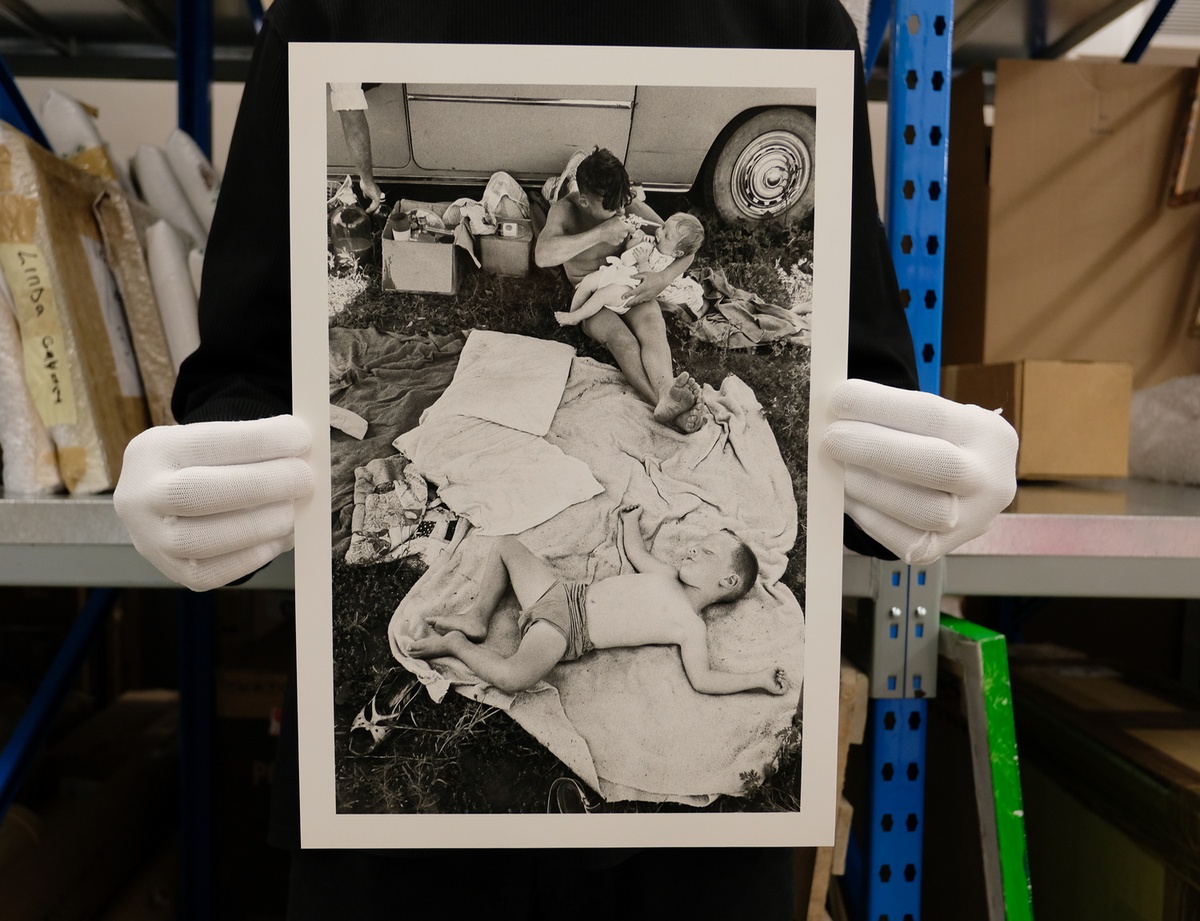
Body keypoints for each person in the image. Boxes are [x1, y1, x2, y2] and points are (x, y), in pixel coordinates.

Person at [112, 2, 1020, 919]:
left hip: (689, 876)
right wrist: (208, 475)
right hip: (393, 865)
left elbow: (861, 390)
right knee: (620, 356)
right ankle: (497, 590)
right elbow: (245, 371)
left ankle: (624, 436)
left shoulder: (787, 19)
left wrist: (922, 476)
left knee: (643, 348)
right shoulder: (329, 10)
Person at [402, 509, 787, 697]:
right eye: (697, 544)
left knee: (513, 678)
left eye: (706, 552)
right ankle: (477, 616)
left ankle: (457, 645)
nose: (692, 549)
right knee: (505, 545)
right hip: (563, 593)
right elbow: (636, 552)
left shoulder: (690, 626)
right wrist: (631, 521)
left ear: (727, 581)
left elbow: (703, 679)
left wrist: (758, 679)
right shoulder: (666, 574)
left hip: (567, 630)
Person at [536, 147, 705, 433]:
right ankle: (665, 405)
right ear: (585, 201)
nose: (621, 212)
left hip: (628, 282)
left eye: (623, 203)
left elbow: (686, 250)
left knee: (653, 325)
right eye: (612, 208)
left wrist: (661, 279)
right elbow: (542, 255)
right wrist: (600, 233)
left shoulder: (624, 203)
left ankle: (667, 390)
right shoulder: (565, 211)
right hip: (592, 295)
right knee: (622, 341)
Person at [554, 212, 705, 328]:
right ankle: (572, 312)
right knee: (588, 280)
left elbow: (649, 281)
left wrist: (643, 261)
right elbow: (628, 250)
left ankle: (577, 317)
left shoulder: (666, 262)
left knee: (603, 295)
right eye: (663, 227)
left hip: (633, 289)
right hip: (622, 272)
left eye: (666, 235)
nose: (659, 232)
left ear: (677, 253)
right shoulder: (655, 243)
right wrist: (638, 240)